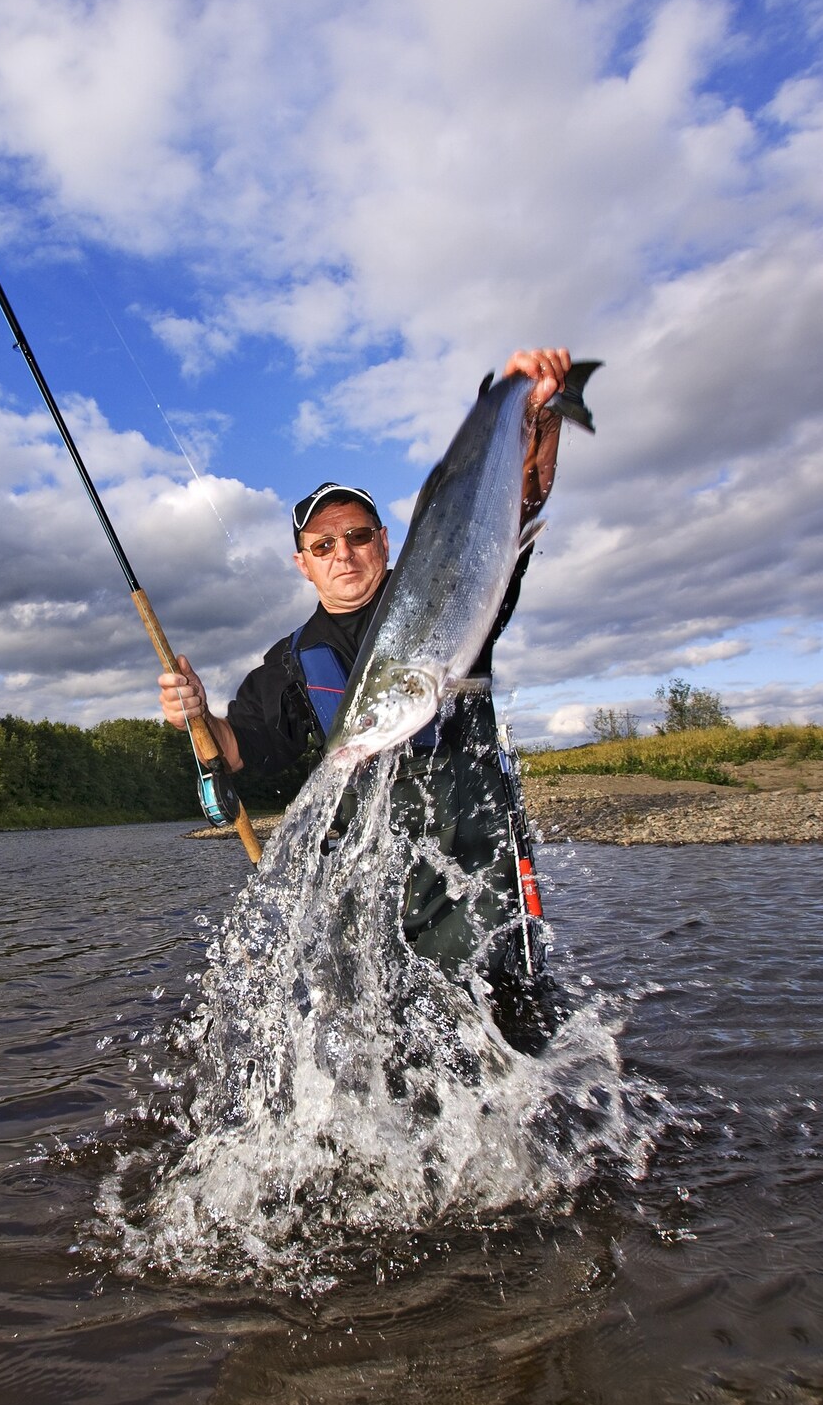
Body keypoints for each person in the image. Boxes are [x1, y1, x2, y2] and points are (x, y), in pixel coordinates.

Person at [158, 349, 573, 1052]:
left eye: (356, 535)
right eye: (323, 544)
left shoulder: (451, 583)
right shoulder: (291, 665)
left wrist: (540, 414)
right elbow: (236, 746)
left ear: (385, 540)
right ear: (304, 562)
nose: (343, 552)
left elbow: (519, 503)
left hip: (483, 875)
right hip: (378, 903)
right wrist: (192, 709)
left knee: (521, 1046)